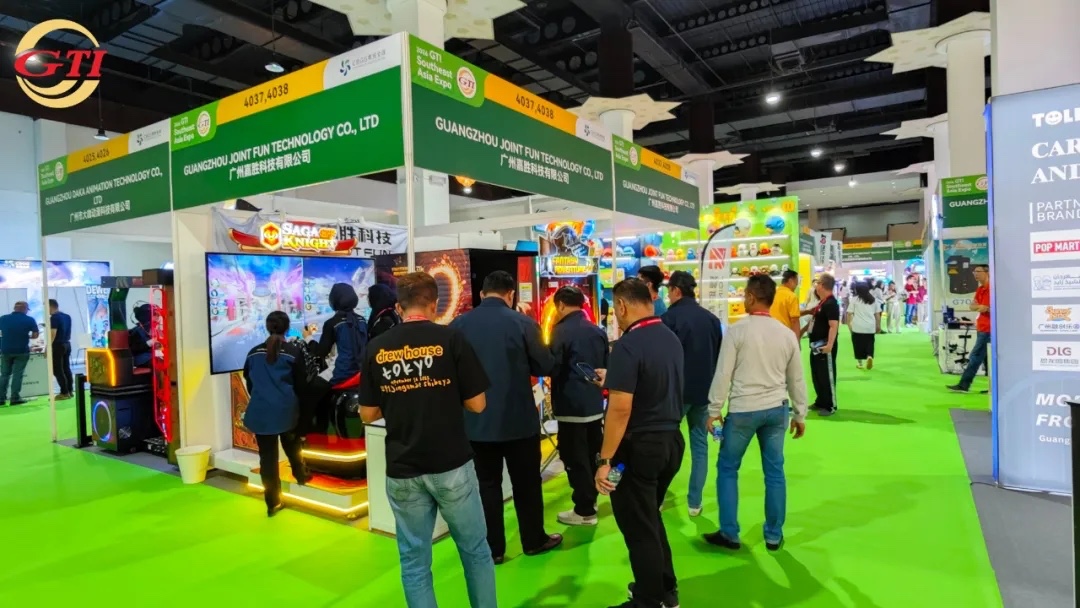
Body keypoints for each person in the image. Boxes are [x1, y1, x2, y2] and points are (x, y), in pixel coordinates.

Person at [358, 272, 497, 608]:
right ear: (434, 304)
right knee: (475, 552)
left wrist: (401, 394)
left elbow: (367, 414)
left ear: (399, 306)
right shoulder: (452, 340)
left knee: (414, 563)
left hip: (403, 468)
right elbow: (478, 404)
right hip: (451, 464)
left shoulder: (376, 347)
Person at [450, 270, 562, 563]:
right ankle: (533, 540)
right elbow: (544, 365)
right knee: (526, 484)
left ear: (482, 294)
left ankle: (494, 549)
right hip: (519, 421)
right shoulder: (523, 323)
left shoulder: (458, 325)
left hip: (476, 423)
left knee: (486, 486)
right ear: (511, 294)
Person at [595, 278, 684, 608]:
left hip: (637, 447)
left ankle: (648, 600)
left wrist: (605, 460)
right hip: (670, 441)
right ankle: (664, 588)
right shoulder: (669, 337)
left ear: (621, 306)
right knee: (649, 517)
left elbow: (620, 409)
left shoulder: (627, 345)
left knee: (638, 526)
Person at [703, 274, 808, 552]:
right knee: (774, 472)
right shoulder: (786, 334)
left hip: (743, 410)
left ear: (750, 297)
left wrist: (714, 410)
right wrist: (800, 414)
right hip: (776, 409)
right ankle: (773, 535)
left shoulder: (737, 331)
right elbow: (796, 378)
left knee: (728, 468)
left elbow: (723, 373)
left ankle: (729, 532)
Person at [661, 270, 722, 517]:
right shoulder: (711, 319)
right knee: (700, 446)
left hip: (675, 394)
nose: (668, 295)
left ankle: (658, 495)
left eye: (669, 290)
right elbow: (719, 357)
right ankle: (695, 502)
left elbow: (663, 359)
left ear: (676, 290)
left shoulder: (668, 319)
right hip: (705, 392)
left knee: (664, 444)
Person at [548, 285, 608, 526]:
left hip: (570, 405)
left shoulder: (560, 331)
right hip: (594, 404)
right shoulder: (597, 331)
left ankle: (584, 510)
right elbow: (605, 366)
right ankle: (591, 501)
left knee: (575, 458)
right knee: (594, 455)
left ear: (561, 305)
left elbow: (552, 365)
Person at [242, 311, 311, 517]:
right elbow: (301, 385)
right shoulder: (293, 352)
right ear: (287, 328)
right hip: (286, 411)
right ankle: (301, 476)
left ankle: (273, 503)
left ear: (267, 327)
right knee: (293, 445)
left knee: (267, 459)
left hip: (260, 412)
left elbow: (249, 382)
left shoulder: (253, 353)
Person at [309, 283, 367, 386]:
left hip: (341, 372)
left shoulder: (332, 323)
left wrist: (308, 338)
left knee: (308, 390)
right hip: (362, 371)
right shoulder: (362, 320)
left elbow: (321, 352)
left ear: (333, 300)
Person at [949, 265, 991, 394]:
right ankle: (992, 387)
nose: (975, 274)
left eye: (978, 271)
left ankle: (964, 385)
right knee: (986, 359)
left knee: (975, 356)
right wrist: (981, 307)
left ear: (987, 272)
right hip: (981, 327)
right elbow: (973, 306)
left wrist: (981, 307)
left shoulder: (992, 289)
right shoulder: (980, 289)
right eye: (974, 272)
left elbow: (984, 307)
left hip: (988, 329)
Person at [807, 274, 840, 416]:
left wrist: (830, 345)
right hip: (815, 345)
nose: (816, 286)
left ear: (822, 285)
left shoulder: (831, 303)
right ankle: (821, 400)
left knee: (827, 375)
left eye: (818, 283)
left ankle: (830, 405)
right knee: (817, 374)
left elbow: (833, 326)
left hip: (825, 345)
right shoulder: (822, 303)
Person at [0, 301, 39, 406]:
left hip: (5, 350)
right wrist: (27, 336)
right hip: (21, 351)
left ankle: (1, 399)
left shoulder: (3, 318)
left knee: (4, 375)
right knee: (17, 375)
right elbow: (35, 335)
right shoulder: (29, 320)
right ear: (25, 309)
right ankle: (15, 398)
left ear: (14, 308)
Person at [847, 281, 881, 370]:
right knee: (870, 343)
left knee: (857, 344)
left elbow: (849, 313)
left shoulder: (855, 299)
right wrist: (878, 325)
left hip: (857, 326)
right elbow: (877, 314)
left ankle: (860, 363)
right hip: (870, 326)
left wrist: (849, 324)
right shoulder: (873, 299)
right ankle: (869, 356)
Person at [48, 299, 74, 400]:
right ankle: (70, 390)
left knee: (57, 369)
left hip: (57, 345)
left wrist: (47, 347)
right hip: (67, 344)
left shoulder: (54, 318)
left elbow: (53, 334)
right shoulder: (67, 316)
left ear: (50, 307)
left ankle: (64, 392)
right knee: (66, 368)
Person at [770, 270, 801, 339]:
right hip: (785, 335)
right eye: (796, 283)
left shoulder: (773, 293)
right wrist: (796, 341)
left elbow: (784, 312)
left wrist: (808, 311)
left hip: (771, 333)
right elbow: (794, 320)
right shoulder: (791, 296)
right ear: (791, 281)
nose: (796, 286)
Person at [129, 303, 154, 369]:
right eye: (154, 314)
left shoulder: (155, 327)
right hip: (141, 358)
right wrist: (149, 343)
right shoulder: (136, 332)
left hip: (154, 354)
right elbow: (134, 349)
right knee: (159, 363)